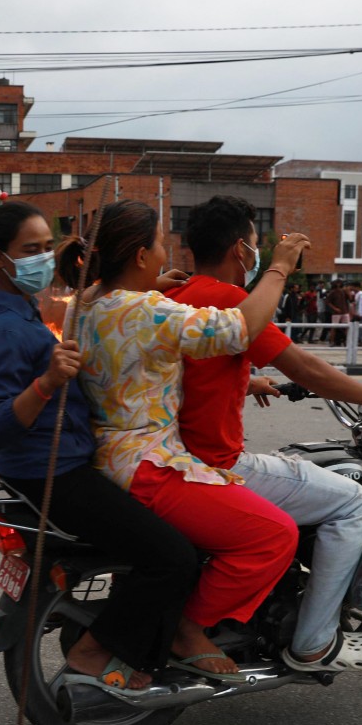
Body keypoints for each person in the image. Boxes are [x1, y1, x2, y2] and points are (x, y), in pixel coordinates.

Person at [0, 192, 199, 691]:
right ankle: (96, 652)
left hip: (28, 468)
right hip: (56, 472)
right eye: (29, 249)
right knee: (174, 557)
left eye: (45, 246)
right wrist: (47, 382)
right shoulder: (6, 328)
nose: (42, 258)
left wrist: (145, 285)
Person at [168, 195, 362, 673]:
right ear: (242, 250)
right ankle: (313, 641)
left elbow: (188, 374)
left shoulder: (173, 297)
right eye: (256, 245)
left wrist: (248, 381)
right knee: (351, 501)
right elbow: (304, 365)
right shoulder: (232, 301)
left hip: (173, 458)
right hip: (215, 464)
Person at [59, 199, 300, 681]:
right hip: (149, 463)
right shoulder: (147, 310)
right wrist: (278, 267)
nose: (168, 260)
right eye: (160, 249)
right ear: (140, 257)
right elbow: (239, 329)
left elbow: (140, 362)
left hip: (105, 457)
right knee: (274, 535)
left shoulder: (84, 306)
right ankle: (187, 629)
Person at [326, 280, 350, 346]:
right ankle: (331, 341)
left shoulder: (344, 291)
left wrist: (348, 292)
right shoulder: (333, 292)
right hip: (336, 313)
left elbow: (351, 299)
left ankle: (346, 341)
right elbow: (328, 302)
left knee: (347, 327)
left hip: (345, 311)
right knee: (334, 327)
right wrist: (335, 308)